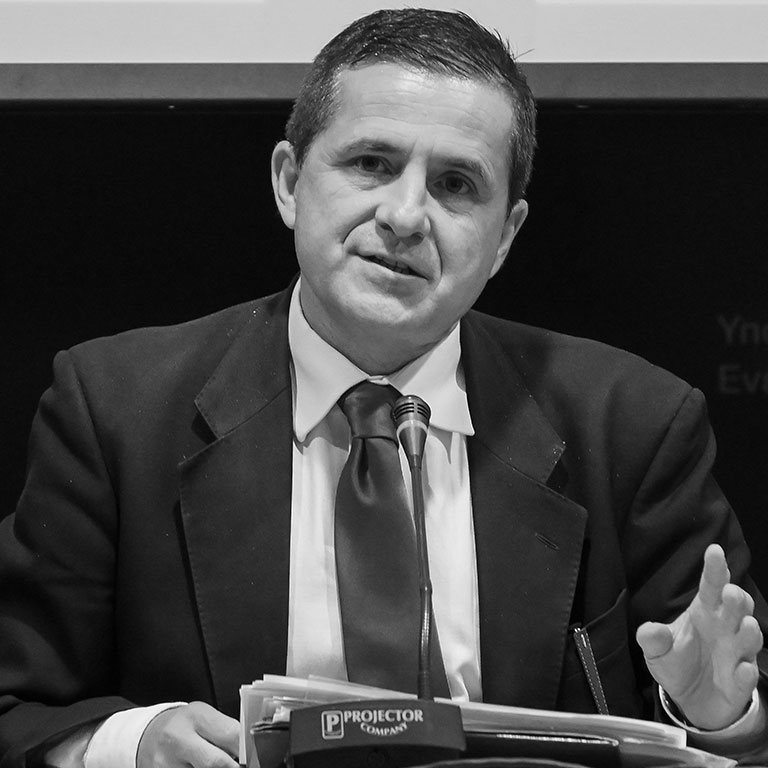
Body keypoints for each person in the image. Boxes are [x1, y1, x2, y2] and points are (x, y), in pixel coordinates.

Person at [1, 7, 767, 768]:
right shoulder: (116, 410)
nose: (405, 216)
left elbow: (733, 706)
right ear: (290, 182)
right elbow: (16, 706)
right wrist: (131, 745)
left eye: (456, 184)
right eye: (371, 163)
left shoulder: (633, 425)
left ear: (504, 236)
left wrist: (719, 716)